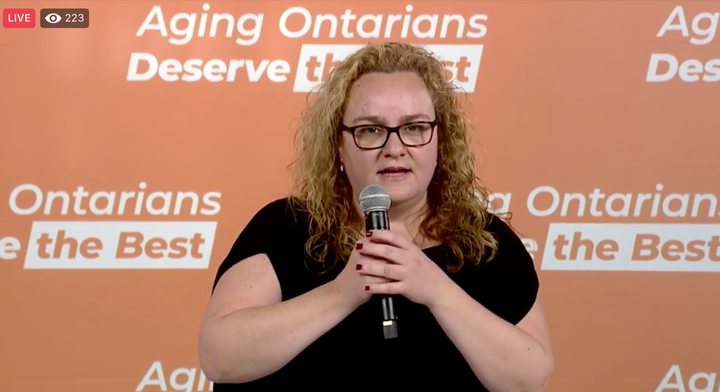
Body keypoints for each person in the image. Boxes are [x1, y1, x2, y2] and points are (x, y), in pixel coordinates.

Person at [197, 42, 554, 391]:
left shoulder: (486, 242)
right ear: (339, 144)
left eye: (414, 127)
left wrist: (436, 290)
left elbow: (529, 379)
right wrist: (342, 293)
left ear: (440, 139)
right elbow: (219, 357)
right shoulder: (286, 227)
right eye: (371, 129)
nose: (394, 148)